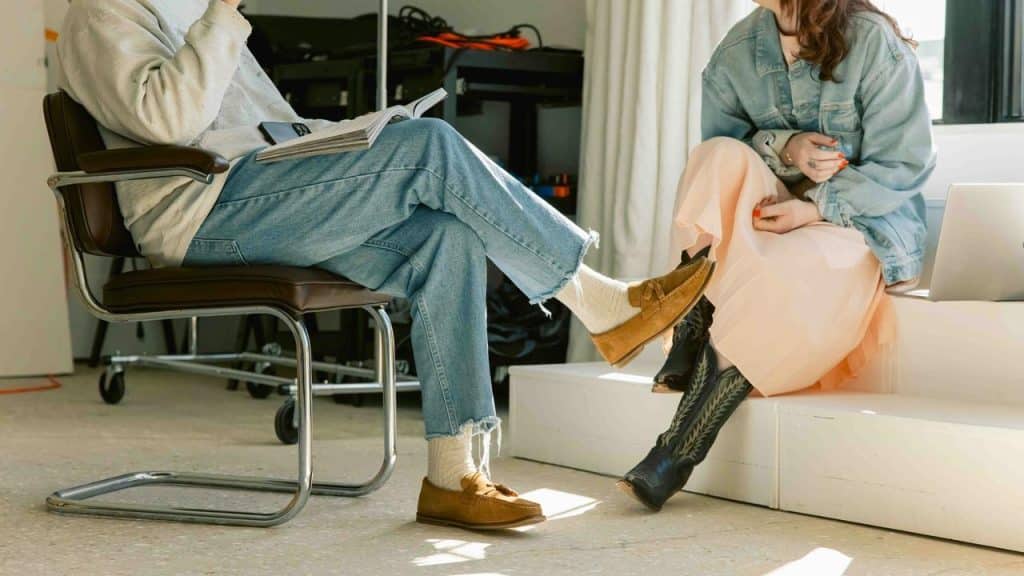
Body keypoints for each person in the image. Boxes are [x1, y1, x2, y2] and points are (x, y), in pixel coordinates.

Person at [57, 0, 715, 530]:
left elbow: (269, 126)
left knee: (445, 240)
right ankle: (601, 303)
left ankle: (454, 475)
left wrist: (346, 138)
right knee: (428, 146)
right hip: (201, 213)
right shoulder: (102, 15)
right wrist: (223, 13)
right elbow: (167, 119)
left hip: (261, 191)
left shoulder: (191, 9)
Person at [617, 0, 934, 511]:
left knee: (783, 277)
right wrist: (786, 149)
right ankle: (693, 317)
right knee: (715, 157)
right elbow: (724, 145)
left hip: (857, 223)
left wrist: (812, 207)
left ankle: (677, 451)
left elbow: (904, 166)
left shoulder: (874, 42)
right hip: (770, 211)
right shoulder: (739, 48)